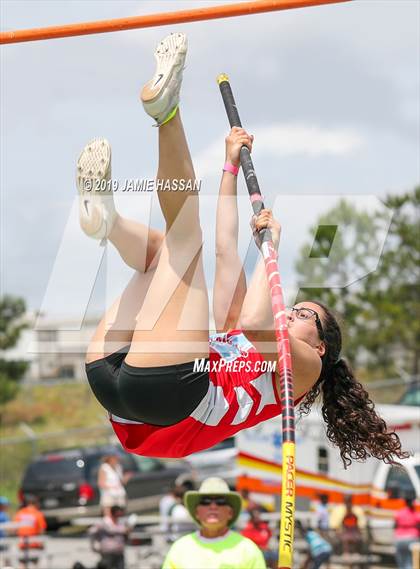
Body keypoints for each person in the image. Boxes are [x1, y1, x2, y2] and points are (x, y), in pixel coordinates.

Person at [79, 31, 408, 468]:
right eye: (295, 309)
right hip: (124, 386)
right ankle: (110, 222)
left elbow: (257, 322)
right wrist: (230, 167)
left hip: (170, 397)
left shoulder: (303, 368)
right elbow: (225, 250)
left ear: (323, 345)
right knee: (162, 254)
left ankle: (168, 114)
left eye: (304, 314)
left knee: (183, 240)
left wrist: (272, 245)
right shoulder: (235, 339)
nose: (291, 312)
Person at [162, 476, 266, 568]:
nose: (213, 506)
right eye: (206, 501)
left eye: (220, 502)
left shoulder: (248, 549)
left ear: (230, 512)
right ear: (197, 512)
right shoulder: (180, 548)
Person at [89, 505, 131, 569]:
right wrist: (93, 546)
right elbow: (92, 531)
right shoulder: (104, 522)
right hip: (108, 553)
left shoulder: (121, 522)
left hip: (119, 553)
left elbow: (126, 533)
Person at [13, 495, 47, 569]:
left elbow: (14, 529)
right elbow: (42, 530)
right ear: (35, 503)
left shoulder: (20, 513)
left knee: (22, 564)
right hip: (34, 544)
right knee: (35, 564)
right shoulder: (38, 514)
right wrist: (42, 544)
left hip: (22, 544)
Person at [394, 494, 420, 569]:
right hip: (413, 538)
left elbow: (395, 525)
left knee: (402, 562)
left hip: (400, 539)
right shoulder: (416, 514)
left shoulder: (399, 513)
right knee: (410, 561)